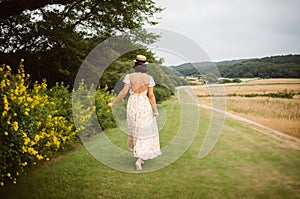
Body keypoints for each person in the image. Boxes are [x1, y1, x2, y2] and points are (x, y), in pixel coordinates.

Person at [107, 55, 161, 170]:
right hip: (144, 104)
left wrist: (113, 102)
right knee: (144, 130)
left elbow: (123, 92)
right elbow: (151, 96)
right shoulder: (149, 78)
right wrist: (155, 110)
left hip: (133, 104)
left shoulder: (129, 76)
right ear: (145, 66)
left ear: (135, 65)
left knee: (136, 130)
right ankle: (140, 159)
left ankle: (140, 158)